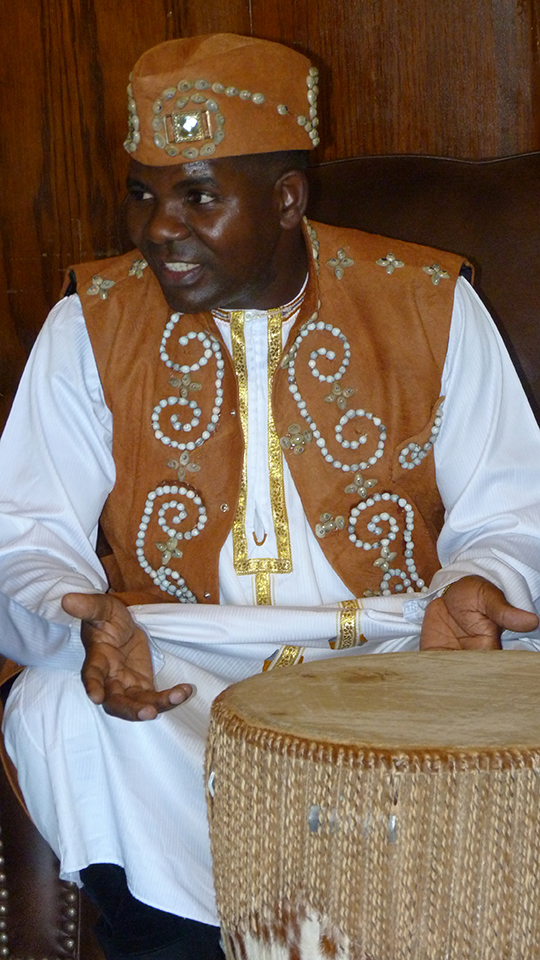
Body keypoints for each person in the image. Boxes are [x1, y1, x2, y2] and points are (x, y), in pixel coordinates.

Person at [1, 31, 540, 960]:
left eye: (198, 195)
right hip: (182, 663)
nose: (158, 227)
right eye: (143, 192)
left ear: (287, 199)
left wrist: (479, 581)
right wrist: (77, 615)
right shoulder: (87, 323)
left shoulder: (427, 301)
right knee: (55, 707)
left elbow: (511, 506)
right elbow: (26, 530)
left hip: (397, 653)